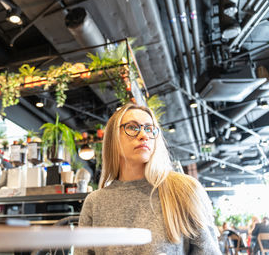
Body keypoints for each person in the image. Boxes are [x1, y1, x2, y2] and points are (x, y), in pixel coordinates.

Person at [75, 103, 221, 254]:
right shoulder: (96, 202)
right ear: (113, 138)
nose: (144, 135)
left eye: (149, 129)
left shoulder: (183, 190)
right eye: (132, 127)